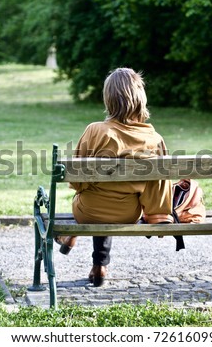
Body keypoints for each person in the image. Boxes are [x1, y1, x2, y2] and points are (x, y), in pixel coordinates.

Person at [56, 67, 173, 287]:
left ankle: (71, 236)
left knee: (96, 197)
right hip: (128, 213)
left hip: (88, 211)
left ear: (108, 99)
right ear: (140, 98)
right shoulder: (154, 138)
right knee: (113, 198)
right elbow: (157, 187)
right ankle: (99, 266)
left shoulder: (95, 131)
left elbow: (77, 182)